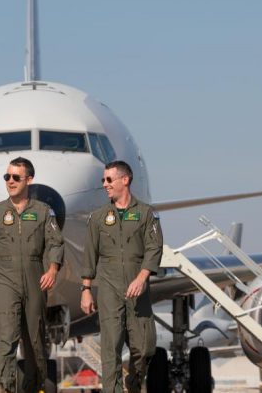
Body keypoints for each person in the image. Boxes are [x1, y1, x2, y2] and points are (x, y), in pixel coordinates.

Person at [0, 157, 64, 393]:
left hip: (36, 278)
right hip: (6, 279)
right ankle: (7, 386)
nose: (10, 181)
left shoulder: (44, 212)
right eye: (7, 177)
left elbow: (55, 243)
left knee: (35, 339)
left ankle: (33, 386)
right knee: (6, 336)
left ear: (29, 180)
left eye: (16, 177)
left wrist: (52, 268)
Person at [80, 160, 162, 393]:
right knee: (111, 348)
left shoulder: (146, 214)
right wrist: (85, 290)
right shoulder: (98, 218)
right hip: (109, 286)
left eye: (109, 180)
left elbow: (154, 248)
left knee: (144, 347)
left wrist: (142, 277)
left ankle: (134, 383)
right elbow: (89, 255)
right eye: (103, 180)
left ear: (124, 180)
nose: (104, 184)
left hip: (138, 286)